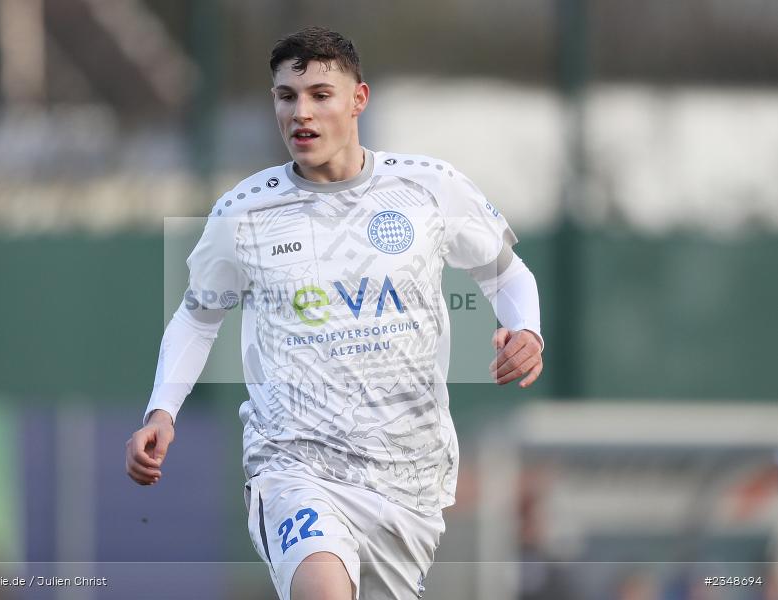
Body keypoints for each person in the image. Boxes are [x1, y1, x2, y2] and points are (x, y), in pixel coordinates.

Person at [126, 26, 544, 600]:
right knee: (321, 588)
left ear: (358, 100)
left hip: (408, 477)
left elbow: (505, 274)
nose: (301, 112)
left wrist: (526, 329)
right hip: (294, 465)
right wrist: (162, 411)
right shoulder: (244, 213)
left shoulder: (428, 188)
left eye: (321, 94)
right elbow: (199, 318)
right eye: (286, 96)